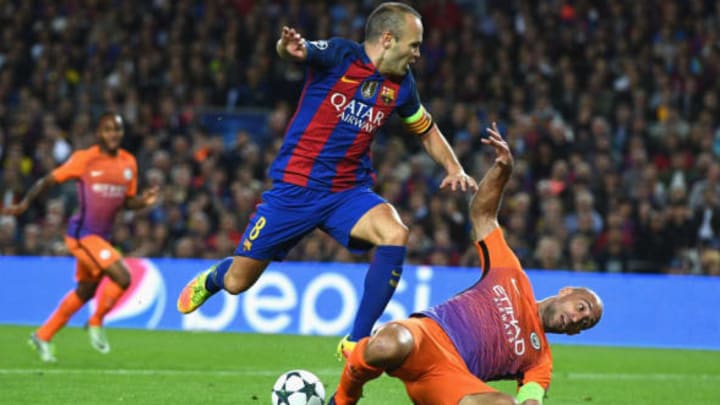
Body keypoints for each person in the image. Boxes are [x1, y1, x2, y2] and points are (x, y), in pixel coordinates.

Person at [177, 2, 477, 357]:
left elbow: (426, 130)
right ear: (387, 39)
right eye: (413, 44)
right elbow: (299, 51)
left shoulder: (402, 86)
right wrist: (287, 48)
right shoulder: (340, 55)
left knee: (395, 232)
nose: (417, 53)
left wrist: (454, 167)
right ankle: (215, 277)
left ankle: (356, 341)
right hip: (295, 190)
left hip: (347, 193)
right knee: (237, 282)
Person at [328, 124, 604, 405]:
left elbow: (530, 399)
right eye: (581, 308)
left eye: (585, 323)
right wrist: (502, 171)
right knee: (388, 343)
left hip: (452, 379)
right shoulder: (511, 275)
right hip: (427, 335)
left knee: (505, 404)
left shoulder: (540, 360)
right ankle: (342, 400)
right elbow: (483, 216)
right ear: (566, 291)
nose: (577, 319)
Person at [2, 113, 159, 362]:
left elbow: (126, 202)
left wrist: (143, 202)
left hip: (101, 239)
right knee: (123, 276)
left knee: (85, 291)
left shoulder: (129, 163)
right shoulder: (85, 159)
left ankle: (43, 335)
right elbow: (48, 180)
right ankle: (95, 321)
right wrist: (25, 204)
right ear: (99, 133)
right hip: (81, 235)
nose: (113, 134)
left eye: (117, 130)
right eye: (107, 130)